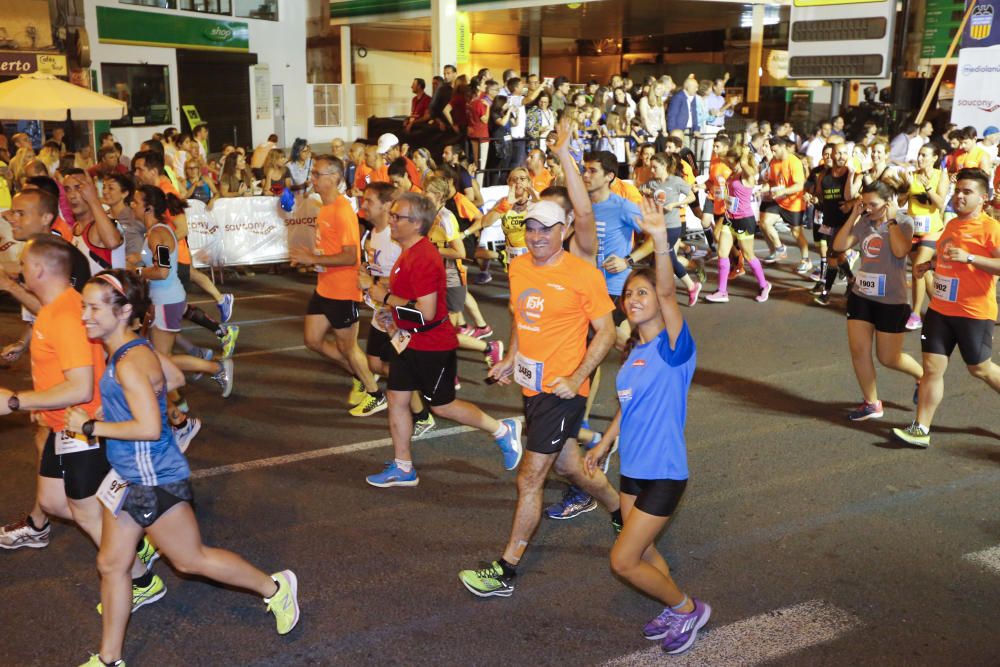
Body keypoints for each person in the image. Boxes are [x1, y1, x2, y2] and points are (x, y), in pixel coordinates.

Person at [69, 270, 299, 667]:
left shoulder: (128, 361)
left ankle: (275, 587)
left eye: (93, 308)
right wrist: (131, 402)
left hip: (152, 478)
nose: (85, 315)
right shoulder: (130, 348)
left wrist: (91, 426)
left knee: (191, 560)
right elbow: (173, 376)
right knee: (111, 563)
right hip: (127, 476)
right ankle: (109, 659)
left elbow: (149, 427)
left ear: (123, 311)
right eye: (83, 307)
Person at [457, 199, 620, 598]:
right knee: (570, 467)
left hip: (562, 393)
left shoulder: (583, 275)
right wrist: (512, 359)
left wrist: (577, 376)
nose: (537, 236)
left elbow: (607, 333)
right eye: (531, 228)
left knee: (529, 478)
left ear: (563, 230)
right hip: (532, 388)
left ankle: (506, 570)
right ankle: (622, 513)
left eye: (546, 229)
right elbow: (521, 319)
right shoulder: (519, 266)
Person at [0, 238, 163, 613]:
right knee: (54, 501)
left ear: (39, 269)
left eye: (23, 263)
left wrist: (16, 401)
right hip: (64, 424)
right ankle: (138, 542)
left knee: (89, 512)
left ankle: (141, 579)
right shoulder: (55, 308)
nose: (19, 269)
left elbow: (81, 385)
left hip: (82, 427)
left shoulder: (65, 313)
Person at [582, 197, 710, 655]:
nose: (632, 300)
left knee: (622, 560)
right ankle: (676, 608)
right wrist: (604, 445)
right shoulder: (632, 355)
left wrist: (658, 241)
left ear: (659, 300)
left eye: (642, 293)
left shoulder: (675, 348)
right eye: (628, 295)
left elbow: (671, 292)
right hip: (632, 469)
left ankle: (689, 607)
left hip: (664, 472)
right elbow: (627, 407)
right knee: (643, 550)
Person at [359, 193, 522, 487]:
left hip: (431, 344)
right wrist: (389, 310)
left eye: (398, 217)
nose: (391, 220)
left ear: (418, 223)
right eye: (392, 214)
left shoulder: (422, 257)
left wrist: (382, 296)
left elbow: (426, 313)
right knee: (397, 398)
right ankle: (403, 466)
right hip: (407, 340)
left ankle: (501, 430)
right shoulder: (408, 251)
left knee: (443, 406)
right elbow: (409, 301)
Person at [893, 169, 1000, 447]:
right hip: (940, 310)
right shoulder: (951, 225)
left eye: (968, 192)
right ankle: (921, 429)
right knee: (931, 369)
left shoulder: (991, 229)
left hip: (973, 312)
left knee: (980, 368)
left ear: (983, 198)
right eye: (958, 190)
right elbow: (946, 257)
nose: (960, 196)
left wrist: (970, 257)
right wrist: (929, 265)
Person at [288, 155, 385, 417]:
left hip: (343, 290)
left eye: (318, 174)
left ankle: (375, 393)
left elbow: (349, 256)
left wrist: (314, 258)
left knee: (348, 348)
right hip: (324, 287)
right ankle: (360, 376)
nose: (313, 179)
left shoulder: (342, 210)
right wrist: (312, 260)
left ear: (334, 177)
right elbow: (329, 250)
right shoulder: (325, 208)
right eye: (314, 174)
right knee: (313, 340)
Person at [830, 182, 924, 421]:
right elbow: (838, 245)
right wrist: (853, 215)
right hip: (862, 296)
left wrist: (891, 221)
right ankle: (872, 403)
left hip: (891, 300)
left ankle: (923, 376)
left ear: (888, 202)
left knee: (888, 358)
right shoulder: (863, 223)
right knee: (858, 351)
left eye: (873, 204)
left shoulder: (903, 222)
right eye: (865, 203)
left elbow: (901, 251)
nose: (868, 208)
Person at [132, 184, 233, 400]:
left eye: (135, 201)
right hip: (163, 300)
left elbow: (162, 271)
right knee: (157, 356)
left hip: (166, 301)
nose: (131, 205)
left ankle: (215, 368)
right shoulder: (156, 231)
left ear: (148, 208)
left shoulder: (157, 233)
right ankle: (179, 398)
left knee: (159, 359)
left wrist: (137, 270)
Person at [705, 145, 771, 302]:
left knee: (748, 255)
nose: (728, 165)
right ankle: (722, 291)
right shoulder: (733, 174)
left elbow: (752, 172)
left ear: (739, 161)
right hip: (730, 218)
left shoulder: (747, 174)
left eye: (731, 163)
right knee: (722, 252)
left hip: (744, 220)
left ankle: (764, 285)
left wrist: (743, 156)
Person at [905, 144, 949, 330]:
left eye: (924, 155)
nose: (920, 158)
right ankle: (942, 312)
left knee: (917, 270)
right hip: (913, 231)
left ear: (934, 158)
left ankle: (915, 314)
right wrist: (905, 185)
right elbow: (900, 201)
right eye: (919, 154)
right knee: (926, 275)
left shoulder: (941, 175)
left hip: (932, 231)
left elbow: (940, 204)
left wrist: (928, 187)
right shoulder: (912, 175)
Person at [812, 142, 861, 306]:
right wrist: (814, 200)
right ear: (832, 155)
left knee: (832, 255)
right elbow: (819, 195)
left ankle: (826, 292)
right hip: (829, 220)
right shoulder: (823, 175)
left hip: (845, 222)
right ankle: (852, 279)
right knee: (839, 257)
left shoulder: (852, 173)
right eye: (838, 153)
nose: (841, 156)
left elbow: (861, 196)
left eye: (844, 153)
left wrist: (850, 203)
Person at [760, 137, 811, 272]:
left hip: (794, 203)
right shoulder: (774, 162)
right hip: (779, 201)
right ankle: (779, 248)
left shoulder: (794, 162)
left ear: (783, 147)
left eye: (774, 150)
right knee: (764, 222)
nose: (772, 152)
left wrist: (783, 191)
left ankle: (806, 259)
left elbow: (799, 186)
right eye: (771, 150)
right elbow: (771, 182)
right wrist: (762, 188)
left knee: (796, 233)